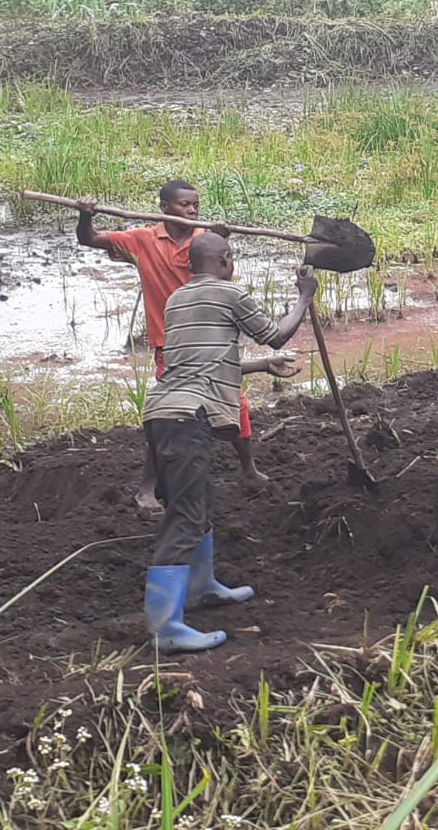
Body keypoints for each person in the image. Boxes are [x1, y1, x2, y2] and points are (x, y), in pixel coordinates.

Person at [141, 233, 315, 651]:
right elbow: (276, 334)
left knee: (197, 503)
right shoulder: (230, 293)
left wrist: (264, 365)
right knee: (184, 517)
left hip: (165, 411)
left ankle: (202, 588)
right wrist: (305, 297)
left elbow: (206, 360)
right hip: (189, 415)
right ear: (225, 260)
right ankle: (165, 628)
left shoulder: (177, 299)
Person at [76, 182, 268, 508]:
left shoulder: (205, 241)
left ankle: (248, 469)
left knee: (237, 403)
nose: (192, 211)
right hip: (171, 345)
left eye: (195, 205)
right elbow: (90, 239)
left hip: (209, 339)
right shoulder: (142, 241)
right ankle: (148, 487)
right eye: (184, 205)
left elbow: (224, 279)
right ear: (164, 207)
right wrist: (85, 215)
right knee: (168, 413)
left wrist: (221, 240)